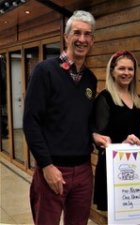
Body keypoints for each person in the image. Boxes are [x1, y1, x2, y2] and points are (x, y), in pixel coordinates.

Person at [23, 10, 97, 225]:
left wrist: (96, 136)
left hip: (84, 170)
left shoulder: (90, 79)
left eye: (87, 34)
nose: (82, 39)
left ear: (92, 40)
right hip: (53, 170)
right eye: (77, 33)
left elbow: (84, 121)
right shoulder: (44, 71)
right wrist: (46, 166)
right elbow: (31, 121)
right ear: (66, 36)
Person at [92, 50, 140, 212]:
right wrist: (120, 145)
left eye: (130, 69)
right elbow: (101, 141)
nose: (126, 73)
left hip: (133, 166)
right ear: (112, 71)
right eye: (122, 68)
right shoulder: (104, 99)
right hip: (113, 168)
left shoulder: (136, 100)